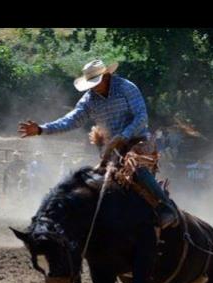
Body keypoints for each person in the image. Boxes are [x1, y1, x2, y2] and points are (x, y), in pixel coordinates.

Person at [17, 59, 177, 228]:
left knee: (135, 167)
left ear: (107, 76)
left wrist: (124, 135)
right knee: (93, 180)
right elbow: (71, 120)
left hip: (138, 141)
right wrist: (42, 129)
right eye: (91, 84)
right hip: (113, 149)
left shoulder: (126, 87)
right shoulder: (89, 99)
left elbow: (141, 117)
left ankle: (166, 206)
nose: (93, 87)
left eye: (96, 82)